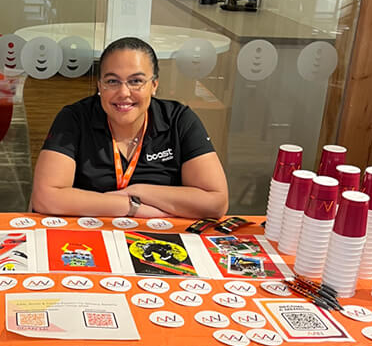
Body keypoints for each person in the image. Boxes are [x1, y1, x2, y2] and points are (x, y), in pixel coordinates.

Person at [31, 37, 228, 219]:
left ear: (154, 85)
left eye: (136, 81)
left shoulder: (179, 120)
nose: (124, 93)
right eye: (112, 81)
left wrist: (139, 192)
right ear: (100, 86)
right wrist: (133, 207)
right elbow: (46, 197)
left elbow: (216, 202)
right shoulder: (74, 118)